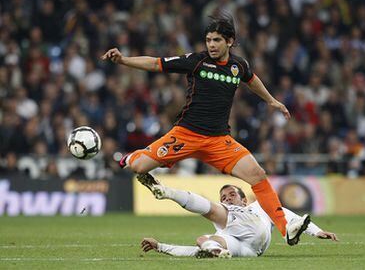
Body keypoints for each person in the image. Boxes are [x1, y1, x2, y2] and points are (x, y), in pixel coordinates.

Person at [101, 15, 303, 245]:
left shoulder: (239, 66)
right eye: (208, 40)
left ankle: (286, 229)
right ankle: (130, 157)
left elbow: (251, 79)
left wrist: (271, 100)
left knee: (258, 175)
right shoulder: (197, 61)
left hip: (219, 140)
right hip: (185, 134)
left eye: (216, 40)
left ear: (230, 41)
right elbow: (156, 63)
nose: (211, 45)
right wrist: (124, 60)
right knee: (138, 167)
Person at [138, 173, 338, 258]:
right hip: (247, 249)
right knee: (203, 241)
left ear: (244, 200)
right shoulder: (224, 230)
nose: (227, 199)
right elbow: (193, 252)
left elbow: (286, 213)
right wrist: (160, 247)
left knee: (212, 210)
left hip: (254, 226)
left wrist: (317, 231)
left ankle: (167, 192)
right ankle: (216, 253)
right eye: (224, 197)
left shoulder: (257, 207)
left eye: (231, 195)